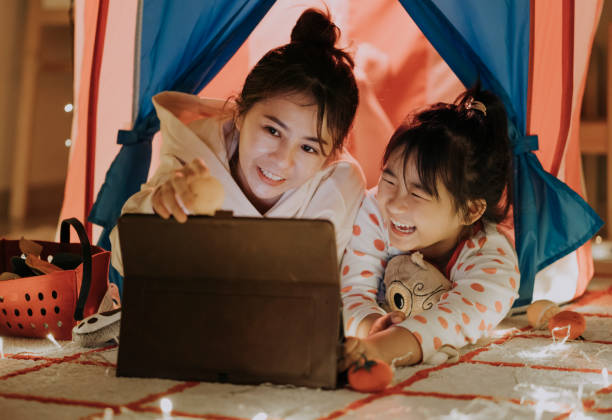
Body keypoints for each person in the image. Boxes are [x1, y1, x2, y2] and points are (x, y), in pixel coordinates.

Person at [109, 8, 364, 275]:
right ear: (240, 114)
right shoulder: (195, 153)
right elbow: (123, 260)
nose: (282, 160)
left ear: (331, 155)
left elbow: (340, 290)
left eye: (308, 148)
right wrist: (156, 208)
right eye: (273, 131)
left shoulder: (337, 184)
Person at [339, 86, 520, 369]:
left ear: (470, 210)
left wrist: (376, 350)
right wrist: (372, 325)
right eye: (389, 181)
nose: (395, 204)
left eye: (417, 194)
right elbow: (351, 292)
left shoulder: (492, 262)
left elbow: (449, 321)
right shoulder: (375, 210)